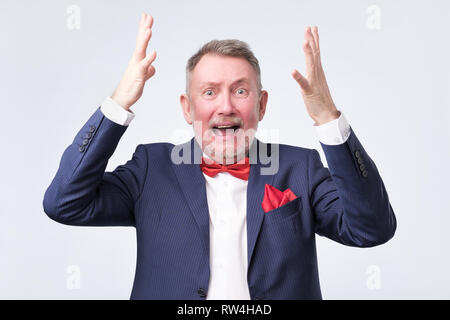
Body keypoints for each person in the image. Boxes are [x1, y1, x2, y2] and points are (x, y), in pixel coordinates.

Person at [43, 12, 396, 300]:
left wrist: (327, 117)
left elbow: (372, 229)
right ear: (188, 107)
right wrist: (119, 102)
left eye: (240, 91)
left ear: (261, 105)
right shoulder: (151, 168)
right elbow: (65, 203)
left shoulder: (300, 168)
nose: (225, 107)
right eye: (209, 92)